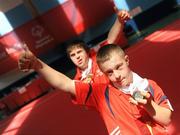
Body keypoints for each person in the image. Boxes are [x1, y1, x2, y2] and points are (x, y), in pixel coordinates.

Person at [18, 44, 173, 135]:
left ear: (126, 60)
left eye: (119, 67)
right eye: (109, 72)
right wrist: (38, 65)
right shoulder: (101, 93)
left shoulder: (148, 85)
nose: (117, 75)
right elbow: (65, 83)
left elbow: (166, 119)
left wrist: (148, 105)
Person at [66, 9, 130, 83]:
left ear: (87, 52)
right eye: (73, 55)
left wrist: (119, 20)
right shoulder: (77, 82)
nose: (77, 56)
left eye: (79, 52)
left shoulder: (99, 58)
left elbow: (110, 40)